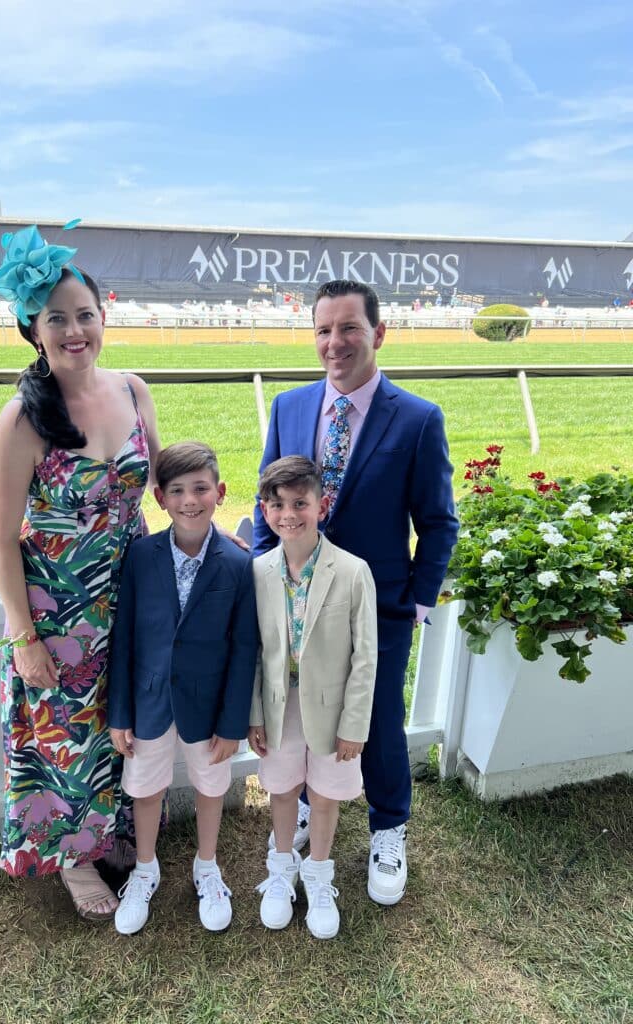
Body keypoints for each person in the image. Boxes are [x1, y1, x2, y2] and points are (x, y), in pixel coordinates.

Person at [252, 279, 458, 906]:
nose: (334, 343)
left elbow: (439, 521)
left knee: (378, 720)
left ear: (379, 333)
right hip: (298, 600)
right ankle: (312, 810)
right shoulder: (289, 406)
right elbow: (268, 505)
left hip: (379, 605)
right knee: (303, 709)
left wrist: (415, 602)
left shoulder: (418, 418)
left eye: (349, 329)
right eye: (323, 330)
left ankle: (389, 827)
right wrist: (265, 577)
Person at [0, 224, 161, 920]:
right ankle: (74, 859)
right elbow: (0, 539)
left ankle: (114, 833)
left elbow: (157, 483)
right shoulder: (23, 420)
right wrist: (25, 637)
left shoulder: (134, 388)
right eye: (56, 318)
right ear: (34, 329)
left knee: (120, 723)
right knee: (68, 736)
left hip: (129, 594)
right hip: (57, 612)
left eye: (84, 314)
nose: (74, 329)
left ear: (103, 316)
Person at [108, 442, 258, 935]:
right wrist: (120, 713)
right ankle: (145, 869)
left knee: (210, 786)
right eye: (177, 491)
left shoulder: (238, 564)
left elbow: (243, 650)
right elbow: (125, 637)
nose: (190, 500)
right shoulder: (141, 556)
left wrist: (233, 722)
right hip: (149, 700)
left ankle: (207, 865)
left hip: (209, 707)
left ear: (220, 492)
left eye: (200, 489)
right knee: (145, 788)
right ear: (160, 497)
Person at [250, 456, 377, 939]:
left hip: (332, 712)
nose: (289, 514)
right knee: (282, 789)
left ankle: (319, 873)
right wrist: (255, 713)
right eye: (277, 505)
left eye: (300, 503)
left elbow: (366, 657)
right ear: (265, 511)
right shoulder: (259, 572)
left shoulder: (351, 571)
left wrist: (354, 725)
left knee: (324, 795)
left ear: (320, 505)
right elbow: (255, 653)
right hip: (280, 710)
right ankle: (282, 867)